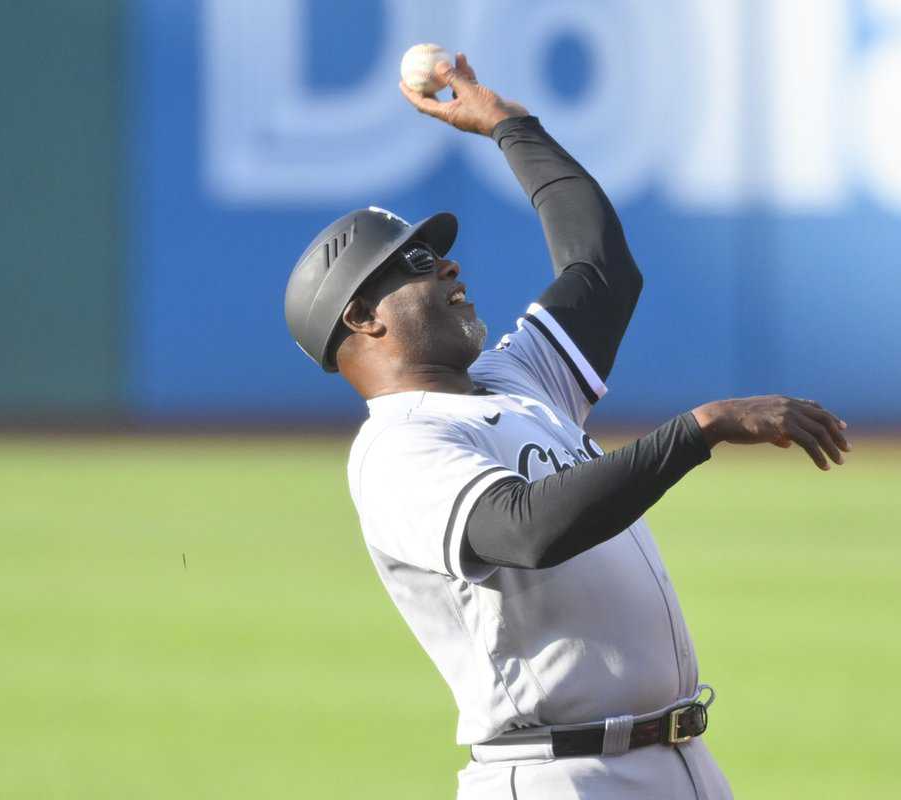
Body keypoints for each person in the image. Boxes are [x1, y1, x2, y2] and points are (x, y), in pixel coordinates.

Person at [283, 53, 851, 800]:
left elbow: (603, 265)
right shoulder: (397, 448)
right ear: (361, 317)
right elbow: (524, 529)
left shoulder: (516, 378)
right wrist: (700, 429)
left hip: (678, 760)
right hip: (558, 775)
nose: (449, 268)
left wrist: (507, 125)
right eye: (418, 261)